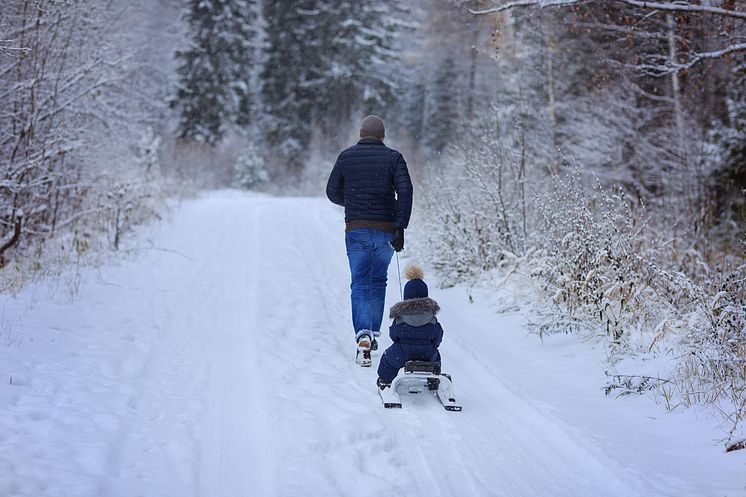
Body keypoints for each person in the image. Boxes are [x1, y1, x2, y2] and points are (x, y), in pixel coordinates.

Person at [326, 115, 413, 367]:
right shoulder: (394, 158)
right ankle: (373, 333)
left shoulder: (346, 157)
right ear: (382, 136)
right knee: (378, 280)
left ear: (361, 134)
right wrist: (400, 226)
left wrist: (354, 202)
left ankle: (363, 334)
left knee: (360, 282)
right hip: (386, 229)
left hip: (357, 230)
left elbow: (332, 192)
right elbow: (406, 191)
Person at [377, 265, 443, 389]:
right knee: (436, 356)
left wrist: (401, 342)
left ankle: (385, 380)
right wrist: (432, 345)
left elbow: (393, 334)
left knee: (388, 359)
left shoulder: (400, 317)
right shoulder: (432, 318)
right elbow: (438, 335)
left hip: (402, 353)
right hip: (427, 353)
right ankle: (433, 378)